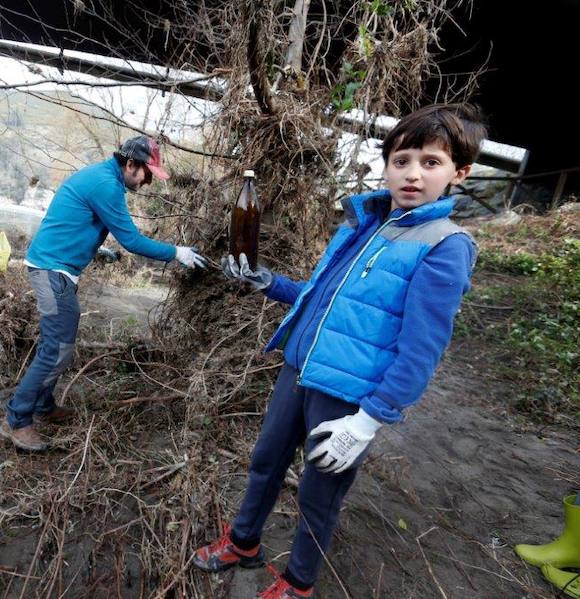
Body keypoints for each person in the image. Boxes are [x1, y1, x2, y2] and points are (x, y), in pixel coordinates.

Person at [192, 104, 487, 598]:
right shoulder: (363, 221)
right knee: (265, 459)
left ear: (460, 172)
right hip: (299, 367)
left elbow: (422, 349)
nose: (413, 173)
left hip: (348, 393)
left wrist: (368, 420)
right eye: (402, 159)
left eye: (431, 162)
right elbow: (327, 296)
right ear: (387, 165)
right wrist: (272, 284)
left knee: (320, 491)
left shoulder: (444, 244)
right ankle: (243, 542)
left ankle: (299, 582)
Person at [0, 135, 207, 451]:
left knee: (59, 345)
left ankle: (42, 406)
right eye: (146, 174)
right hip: (50, 270)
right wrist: (176, 251)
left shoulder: (102, 177)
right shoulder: (106, 185)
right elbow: (133, 241)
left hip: (55, 267)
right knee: (57, 349)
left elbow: (77, 222)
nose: (148, 182)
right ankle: (16, 420)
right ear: (131, 163)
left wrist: (98, 249)